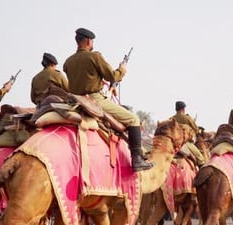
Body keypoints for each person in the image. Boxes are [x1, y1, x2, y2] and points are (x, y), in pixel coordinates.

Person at [63, 27, 152, 171]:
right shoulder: (94, 56)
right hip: (94, 100)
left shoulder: (68, 62)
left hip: (74, 101)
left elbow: (84, 79)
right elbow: (112, 76)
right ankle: (137, 159)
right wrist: (122, 70)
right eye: (92, 41)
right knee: (133, 119)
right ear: (88, 41)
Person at [171, 101, 205, 167]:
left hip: (173, 143)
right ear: (183, 109)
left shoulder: (171, 119)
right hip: (185, 143)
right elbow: (196, 129)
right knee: (200, 158)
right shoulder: (187, 118)